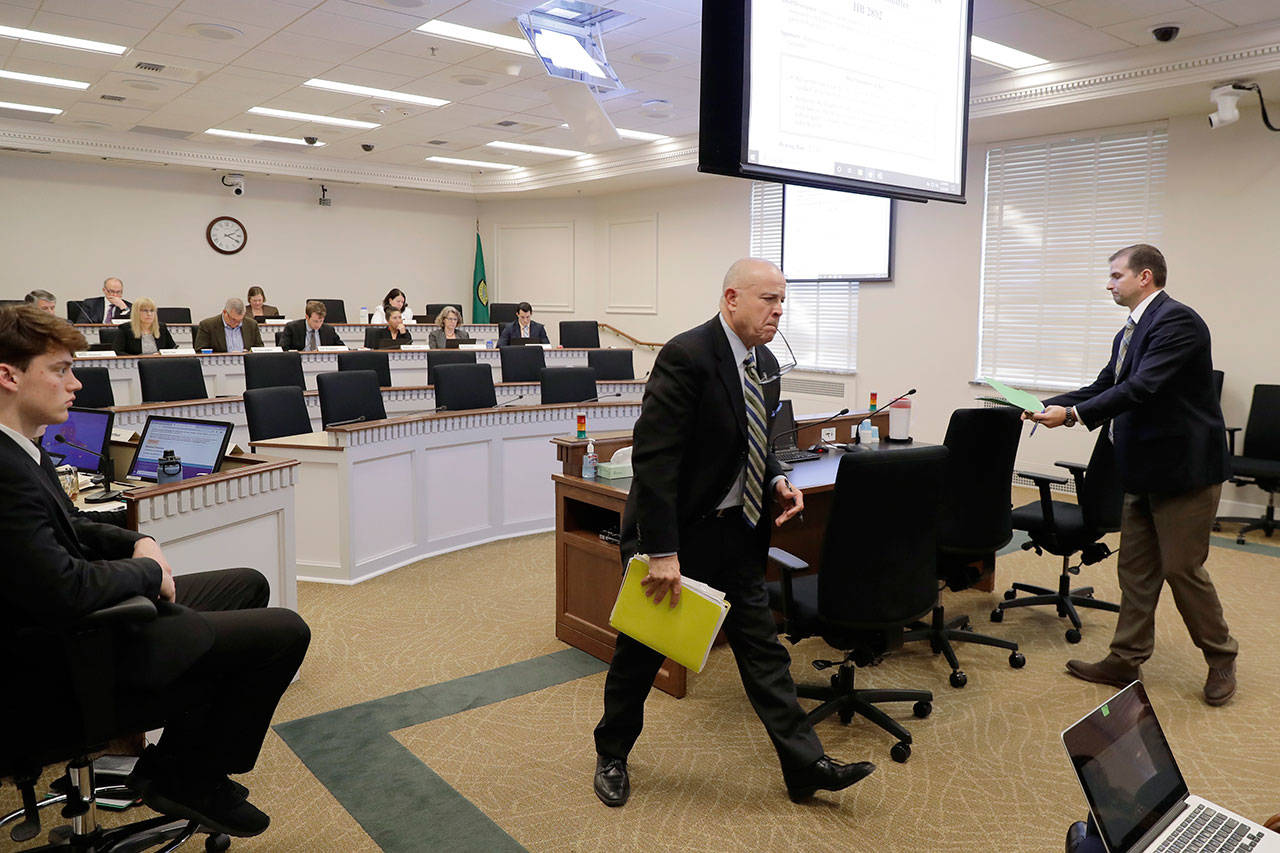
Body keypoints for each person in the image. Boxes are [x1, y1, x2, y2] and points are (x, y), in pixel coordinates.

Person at [0, 304, 310, 838]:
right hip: (55, 662)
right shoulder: (4, 472)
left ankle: (183, 757)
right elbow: (65, 589)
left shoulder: (22, 449)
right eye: (60, 370)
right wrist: (146, 575)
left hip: (69, 626)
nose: (75, 385)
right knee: (284, 632)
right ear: (9, 375)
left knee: (247, 585)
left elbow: (73, 525)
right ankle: (185, 775)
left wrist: (139, 540)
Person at [591, 258, 875, 808]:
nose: (779, 311)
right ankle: (612, 754)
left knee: (762, 652)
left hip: (737, 533)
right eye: (769, 299)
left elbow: (757, 439)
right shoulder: (687, 356)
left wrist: (776, 479)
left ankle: (804, 766)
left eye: (782, 301)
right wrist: (662, 552)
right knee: (641, 653)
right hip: (678, 539)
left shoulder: (763, 360)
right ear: (731, 299)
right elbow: (655, 461)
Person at [1028, 244, 1238, 706]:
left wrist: (1073, 416)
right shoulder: (1131, 330)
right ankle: (1126, 658)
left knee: (1182, 568)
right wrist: (1047, 404)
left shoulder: (1176, 322)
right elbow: (1109, 385)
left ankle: (1222, 656)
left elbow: (1142, 389)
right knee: (1136, 571)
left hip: (1184, 472)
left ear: (1145, 276)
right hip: (1142, 468)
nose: (1109, 284)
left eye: (1116, 276)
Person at [194, 298, 264, 353]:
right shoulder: (207, 325)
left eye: (240, 320)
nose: (237, 323)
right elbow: (200, 352)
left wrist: (249, 353)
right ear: (225, 313)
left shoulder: (251, 324)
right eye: (233, 319)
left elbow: (259, 350)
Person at [279, 300, 344, 351]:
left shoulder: (329, 330)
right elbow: (283, 350)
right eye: (315, 321)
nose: (318, 325)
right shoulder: (292, 328)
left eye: (321, 321)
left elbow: (343, 349)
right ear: (307, 317)